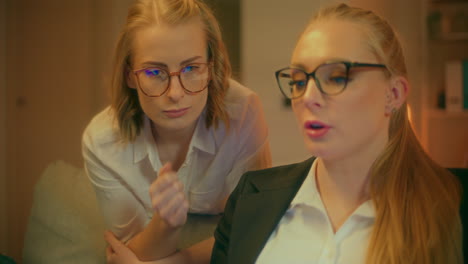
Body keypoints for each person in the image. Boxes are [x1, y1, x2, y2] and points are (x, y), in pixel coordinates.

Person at [211, 3, 467, 264]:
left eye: (336, 77)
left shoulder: (456, 203)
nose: (308, 97)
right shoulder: (249, 199)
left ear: (394, 94)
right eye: (299, 81)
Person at [81, 0, 271, 262]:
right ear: (129, 76)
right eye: (154, 71)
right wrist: (165, 225)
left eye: (192, 68)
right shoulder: (102, 141)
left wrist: (174, 260)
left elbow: (255, 229)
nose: (175, 93)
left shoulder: (243, 112)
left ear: (211, 67)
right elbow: (129, 252)